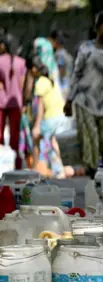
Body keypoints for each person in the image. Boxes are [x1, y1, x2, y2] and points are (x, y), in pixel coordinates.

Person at [64, 11, 103, 178]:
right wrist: (69, 100)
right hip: (85, 101)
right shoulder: (86, 50)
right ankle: (93, 176)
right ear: (97, 28)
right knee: (90, 141)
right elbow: (76, 74)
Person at [27, 56, 70, 178]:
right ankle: (53, 168)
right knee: (51, 141)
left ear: (34, 69)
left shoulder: (40, 82)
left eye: (30, 70)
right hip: (59, 114)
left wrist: (36, 125)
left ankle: (55, 170)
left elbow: (41, 106)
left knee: (47, 143)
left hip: (50, 116)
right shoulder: (49, 78)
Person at [0, 37, 26, 169]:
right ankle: (15, 165)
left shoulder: (0, 61)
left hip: (1, 102)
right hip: (16, 102)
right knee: (14, 136)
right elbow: (22, 85)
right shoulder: (21, 62)